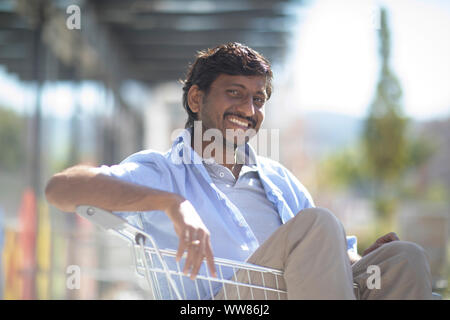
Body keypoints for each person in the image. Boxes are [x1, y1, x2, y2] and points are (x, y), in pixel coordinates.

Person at [45, 42, 432, 300]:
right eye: (235, 93)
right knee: (318, 224)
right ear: (197, 98)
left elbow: (326, 262)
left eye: (258, 98)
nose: (249, 109)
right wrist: (172, 204)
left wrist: (360, 260)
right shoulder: (163, 171)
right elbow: (61, 189)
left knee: (403, 258)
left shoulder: (281, 181)